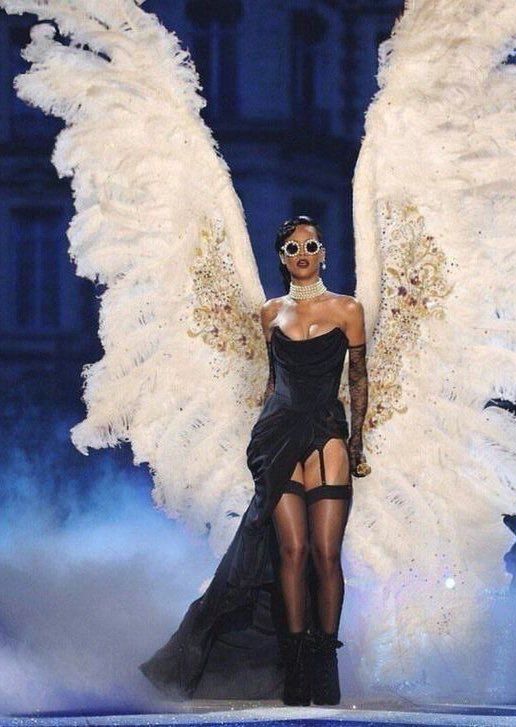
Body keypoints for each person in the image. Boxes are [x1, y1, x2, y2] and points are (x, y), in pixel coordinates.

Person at [139, 214, 370, 706]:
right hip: (279, 433)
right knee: (290, 553)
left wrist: (357, 443)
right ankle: (294, 670)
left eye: (311, 245)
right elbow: (273, 380)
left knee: (326, 555)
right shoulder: (269, 313)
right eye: (292, 248)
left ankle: (323, 665)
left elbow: (358, 380)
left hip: (327, 430)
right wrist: (260, 437)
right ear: (282, 258)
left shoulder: (349, 309)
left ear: (324, 253)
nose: (303, 254)